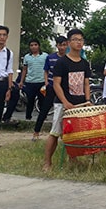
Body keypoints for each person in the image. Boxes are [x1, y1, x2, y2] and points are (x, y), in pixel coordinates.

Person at [42, 29, 91, 171]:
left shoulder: (84, 63)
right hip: (62, 103)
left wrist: (87, 99)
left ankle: (73, 159)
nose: (79, 42)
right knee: (55, 132)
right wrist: (65, 102)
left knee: (75, 134)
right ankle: (47, 162)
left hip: (79, 103)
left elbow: (86, 83)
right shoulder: (61, 63)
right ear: (69, 43)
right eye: (75, 39)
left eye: (81, 40)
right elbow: (56, 84)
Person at [32, 36, 68, 141]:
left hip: (64, 88)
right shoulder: (50, 57)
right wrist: (47, 83)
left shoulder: (69, 58)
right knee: (44, 109)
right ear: (56, 45)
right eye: (60, 45)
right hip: (52, 86)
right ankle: (36, 132)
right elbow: (46, 71)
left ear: (67, 45)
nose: (62, 47)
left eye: (64, 45)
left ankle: (64, 134)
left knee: (65, 110)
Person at [19, 39, 48, 121]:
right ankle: (28, 117)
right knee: (30, 100)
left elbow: (47, 70)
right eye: (31, 45)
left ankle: (43, 117)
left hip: (42, 82)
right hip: (30, 82)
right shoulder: (27, 57)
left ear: (39, 46)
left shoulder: (45, 56)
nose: (33, 47)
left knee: (42, 101)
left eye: (35, 45)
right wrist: (21, 81)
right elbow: (24, 69)